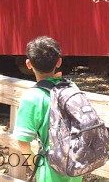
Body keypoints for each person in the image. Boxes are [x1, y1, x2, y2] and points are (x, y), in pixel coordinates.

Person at [13, 36, 83, 182]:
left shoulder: (32, 97)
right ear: (59, 62)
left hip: (50, 173)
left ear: (28, 64)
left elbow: (23, 142)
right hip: (75, 168)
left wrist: (36, 166)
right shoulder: (71, 87)